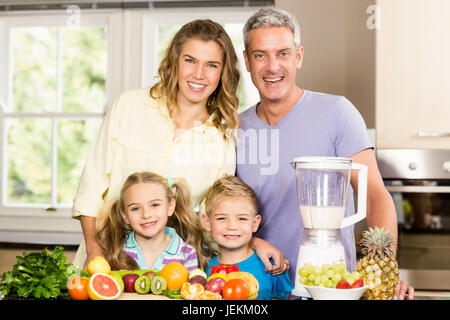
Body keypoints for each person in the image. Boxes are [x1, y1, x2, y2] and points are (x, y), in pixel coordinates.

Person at [235, 7, 414, 300]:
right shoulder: (235, 128)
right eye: (260, 55)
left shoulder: (337, 113)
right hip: (255, 289)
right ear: (246, 60)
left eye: (283, 53)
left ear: (299, 56)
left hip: (331, 290)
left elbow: (374, 196)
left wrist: (385, 270)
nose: (272, 66)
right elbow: (224, 213)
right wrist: (254, 242)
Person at [71, 19, 240, 269]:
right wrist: (94, 249)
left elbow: (215, 218)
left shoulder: (223, 140)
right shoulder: (129, 105)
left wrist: (252, 244)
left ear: (222, 73)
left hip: (173, 271)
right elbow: (91, 185)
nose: (199, 74)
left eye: (211, 65)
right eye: (190, 60)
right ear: (174, 60)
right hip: (104, 258)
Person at [201, 175, 294, 300]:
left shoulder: (271, 265)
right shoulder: (205, 270)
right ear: (207, 223)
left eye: (242, 218)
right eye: (222, 218)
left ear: (255, 223)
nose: (232, 226)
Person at [96, 171, 206, 271]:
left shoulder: (186, 253)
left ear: (170, 206)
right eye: (135, 208)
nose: (146, 215)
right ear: (125, 215)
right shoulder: (116, 250)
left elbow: (190, 290)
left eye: (154, 205)